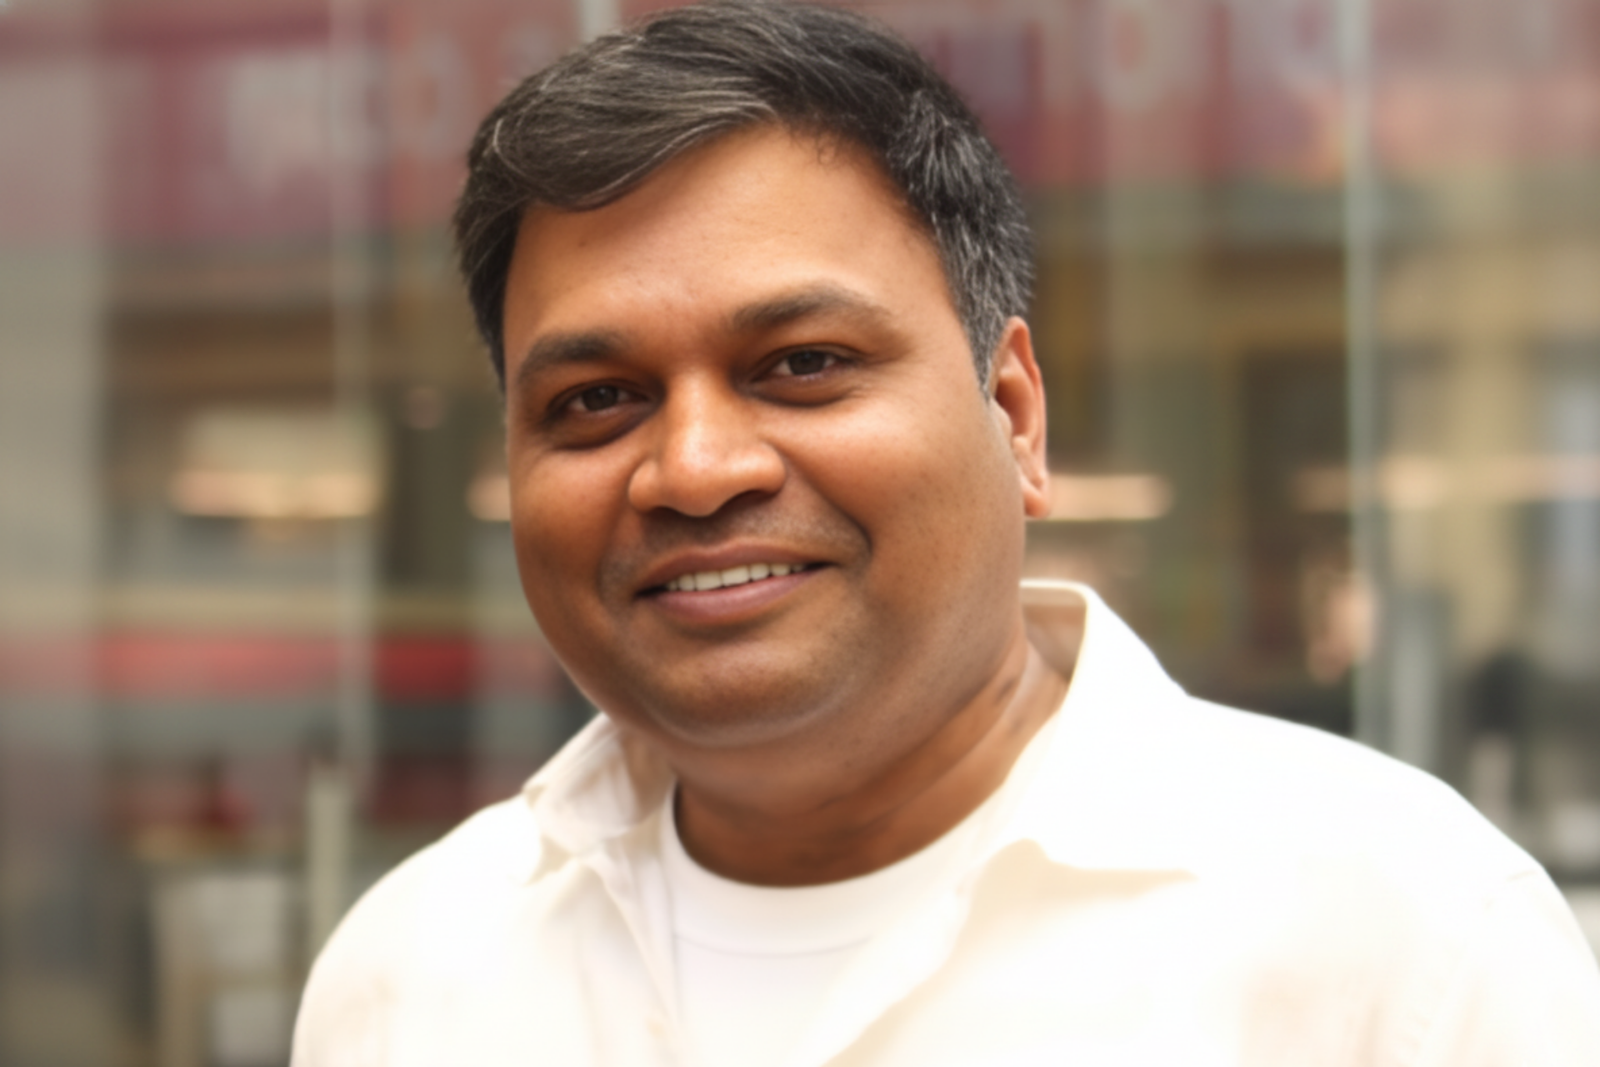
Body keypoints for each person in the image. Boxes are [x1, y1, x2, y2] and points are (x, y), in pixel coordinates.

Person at [292, 3, 1600, 1064]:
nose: (692, 470)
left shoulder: (1404, 948)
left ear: (1015, 415)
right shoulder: (415, 976)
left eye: (802, 364)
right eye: (596, 401)